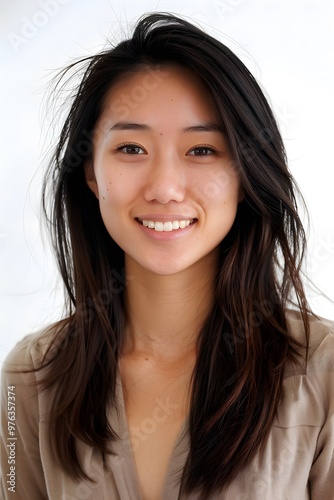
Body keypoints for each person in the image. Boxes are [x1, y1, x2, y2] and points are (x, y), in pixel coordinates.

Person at [1, 12, 333, 500]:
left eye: (202, 150)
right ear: (90, 173)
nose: (164, 188)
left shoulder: (322, 374)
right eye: (131, 148)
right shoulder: (29, 379)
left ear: (245, 175)